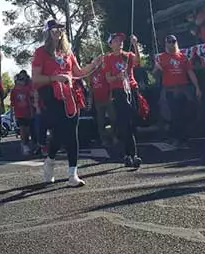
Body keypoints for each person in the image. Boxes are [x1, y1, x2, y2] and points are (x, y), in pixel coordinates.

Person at [32, 19, 102, 187]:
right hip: (51, 96)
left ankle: (72, 174)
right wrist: (55, 77)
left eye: (60, 28)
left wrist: (94, 64)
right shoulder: (41, 52)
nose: (57, 31)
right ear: (47, 32)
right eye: (53, 28)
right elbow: (36, 78)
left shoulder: (68, 52)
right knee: (59, 133)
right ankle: (50, 160)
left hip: (70, 95)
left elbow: (78, 72)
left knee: (72, 132)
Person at [154, 34, 201, 149]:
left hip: (183, 89)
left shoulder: (182, 57)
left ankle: (184, 139)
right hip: (170, 90)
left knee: (184, 114)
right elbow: (154, 74)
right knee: (175, 115)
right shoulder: (162, 57)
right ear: (166, 44)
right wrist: (157, 68)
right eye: (169, 42)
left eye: (173, 41)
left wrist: (197, 87)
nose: (171, 44)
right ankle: (176, 139)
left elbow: (190, 72)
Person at [103, 33, 142, 168]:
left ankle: (132, 153)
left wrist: (135, 44)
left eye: (120, 40)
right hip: (119, 92)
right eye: (116, 40)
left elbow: (138, 61)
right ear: (110, 44)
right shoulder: (108, 58)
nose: (119, 42)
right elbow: (108, 78)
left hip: (131, 89)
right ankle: (129, 154)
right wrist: (118, 76)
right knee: (124, 123)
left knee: (132, 122)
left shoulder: (128, 55)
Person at [89, 66, 114, 147]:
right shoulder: (91, 74)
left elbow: (110, 85)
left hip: (107, 99)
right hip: (98, 100)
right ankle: (104, 139)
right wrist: (90, 101)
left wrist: (110, 97)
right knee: (100, 121)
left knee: (113, 118)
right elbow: (91, 88)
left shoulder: (104, 71)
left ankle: (114, 136)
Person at [11, 70, 35, 155]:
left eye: (23, 80)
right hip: (19, 113)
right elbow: (12, 103)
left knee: (27, 131)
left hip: (27, 112)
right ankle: (24, 145)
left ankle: (26, 144)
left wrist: (31, 112)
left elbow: (30, 100)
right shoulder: (14, 91)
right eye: (20, 80)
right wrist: (12, 115)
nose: (22, 81)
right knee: (22, 130)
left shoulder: (26, 89)